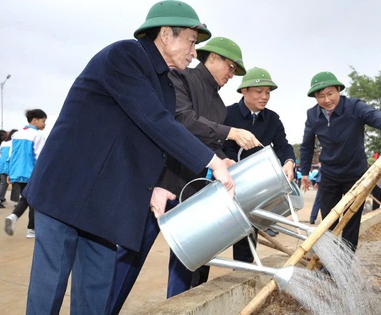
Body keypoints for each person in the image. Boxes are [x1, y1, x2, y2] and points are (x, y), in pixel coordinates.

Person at [22, 2, 236, 314]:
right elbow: (155, 121)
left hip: (105, 204)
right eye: (191, 41)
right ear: (166, 34)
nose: (194, 52)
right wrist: (212, 161)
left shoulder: (163, 83)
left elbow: (153, 139)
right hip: (66, 193)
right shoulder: (125, 56)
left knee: (95, 295)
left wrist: (159, 186)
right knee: (49, 288)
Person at [108, 36, 257, 313]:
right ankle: (107, 308)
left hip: (192, 189)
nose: (231, 74)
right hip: (160, 183)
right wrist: (230, 132)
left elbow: (207, 145)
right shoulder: (180, 78)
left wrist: (223, 158)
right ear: (213, 58)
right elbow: (181, 120)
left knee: (186, 260)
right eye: (231, 66)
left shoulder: (220, 105)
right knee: (131, 254)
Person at [299, 71, 381, 251]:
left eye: (330, 93)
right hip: (329, 176)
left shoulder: (353, 107)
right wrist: (306, 173)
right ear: (315, 97)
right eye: (320, 96)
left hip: (355, 175)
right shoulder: (312, 115)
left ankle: (346, 264)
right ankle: (329, 262)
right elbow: (307, 146)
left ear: (338, 90)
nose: (326, 100)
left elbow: (375, 116)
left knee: (351, 222)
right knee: (328, 221)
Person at [223, 67, 296, 262]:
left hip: (254, 189)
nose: (264, 96)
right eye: (259, 91)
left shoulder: (272, 119)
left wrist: (289, 162)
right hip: (227, 184)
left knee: (247, 241)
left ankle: (242, 276)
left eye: (268, 92)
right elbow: (217, 145)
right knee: (214, 237)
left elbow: (283, 146)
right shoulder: (227, 114)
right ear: (244, 91)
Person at [3, 109, 47, 238]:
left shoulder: (16, 135)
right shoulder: (37, 135)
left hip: (17, 172)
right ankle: (30, 228)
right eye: (43, 121)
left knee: (27, 198)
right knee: (32, 200)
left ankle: (15, 218)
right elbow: (40, 155)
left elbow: (11, 155)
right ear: (35, 120)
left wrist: (9, 173)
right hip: (32, 172)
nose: (44, 124)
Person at [0, 129, 17, 207]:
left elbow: (1, 155)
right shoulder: (15, 143)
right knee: (16, 183)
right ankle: (16, 201)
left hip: (2, 166)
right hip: (11, 165)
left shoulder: (3, 143)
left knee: (3, 183)